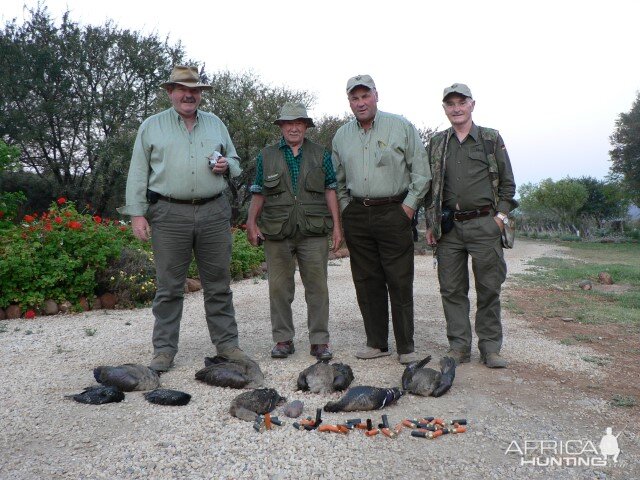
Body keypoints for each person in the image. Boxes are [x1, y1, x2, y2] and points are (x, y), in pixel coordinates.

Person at [118, 65, 247, 372]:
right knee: (168, 287)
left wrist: (226, 165)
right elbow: (138, 172)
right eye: (182, 89)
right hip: (168, 212)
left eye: (195, 90)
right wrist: (137, 214)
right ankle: (163, 350)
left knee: (218, 284)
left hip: (214, 211)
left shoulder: (216, 124)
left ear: (201, 94)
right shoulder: (152, 126)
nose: (189, 95)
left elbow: (236, 162)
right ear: (170, 92)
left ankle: (227, 345)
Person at [332, 74, 430, 365]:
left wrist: (409, 207)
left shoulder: (401, 126)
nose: (360, 103)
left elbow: (421, 172)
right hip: (358, 213)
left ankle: (406, 346)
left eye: (365, 96)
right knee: (366, 280)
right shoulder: (341, 136)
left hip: (394, 211)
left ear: (376, 95)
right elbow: (336, 180)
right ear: (349, 101)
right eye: (354, 98)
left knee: (399, 280)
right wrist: (347, 208)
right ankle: (376, 343)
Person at [425, 83, 517, 369]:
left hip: (484, 225)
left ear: (472, 105)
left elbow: (508, 184)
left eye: (461, 102)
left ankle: (490, 349)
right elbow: (431, 187)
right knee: (451, 289)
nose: (456, 108)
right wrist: (431, 224)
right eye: (450, 103)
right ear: (445, 108)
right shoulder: (437, 142)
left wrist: (499, 220)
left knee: (489, 288)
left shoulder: (490, 138)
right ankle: (459, 347)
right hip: (449, 227)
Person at [246, 102, 342, 361]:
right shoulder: (265, 156)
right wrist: (251, 223)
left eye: (299, 122)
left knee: (318, 288)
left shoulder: (321, 154)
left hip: (314, 230)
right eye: (288, 123)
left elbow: (330, 189)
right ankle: (282, 339)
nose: (293, 127)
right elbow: (258, 192)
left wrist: (337, 227)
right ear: (281, 127)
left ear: (306, 126)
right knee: (278, 288)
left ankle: (320, 341)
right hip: (277, 231)